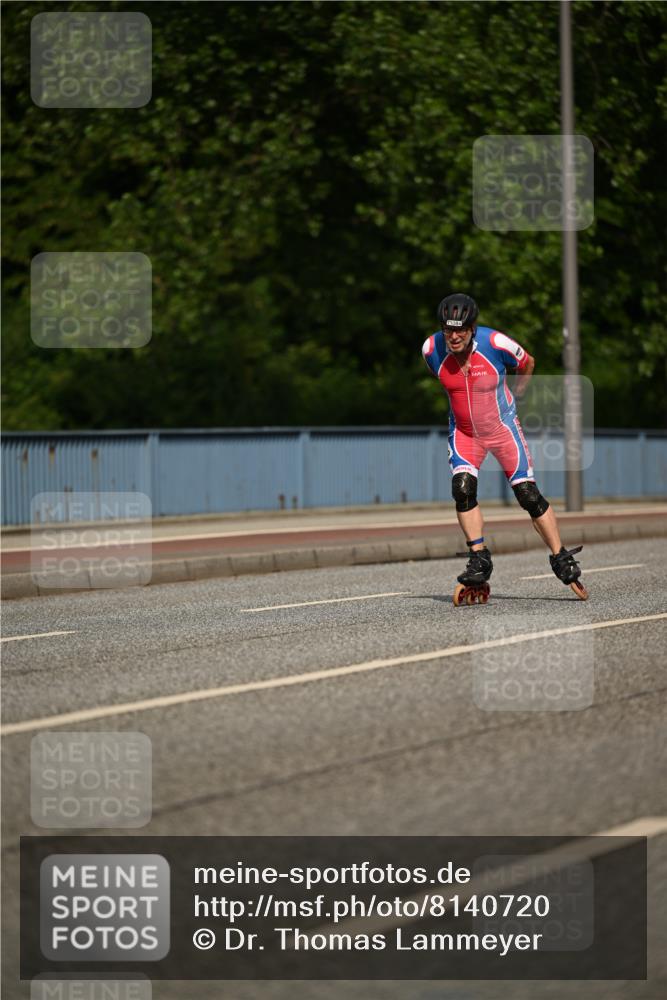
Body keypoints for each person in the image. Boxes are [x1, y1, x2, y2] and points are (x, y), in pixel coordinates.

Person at [422, 292, 587, 600]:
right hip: (465, 433)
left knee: (527, 494)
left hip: (502, 429)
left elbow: (528, 363)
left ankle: (559, 555)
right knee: (462, 488)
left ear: (473, 328)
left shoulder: (496, 343)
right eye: (448, 329)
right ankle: (479, 557)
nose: (453, 336)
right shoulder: (431, 349)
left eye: (460, 329)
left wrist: (518, 394)